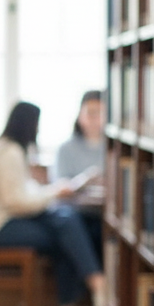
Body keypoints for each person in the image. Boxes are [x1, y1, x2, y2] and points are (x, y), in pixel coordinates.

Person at [0, 101, 106, 306]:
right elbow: (17, 202)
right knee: (66, 234)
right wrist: (54, 192)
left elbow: (21, 193)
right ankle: (83, 297)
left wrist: (49, 194)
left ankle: (79, 300)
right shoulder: (9, 153)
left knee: (66, 221)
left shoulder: (6, 149)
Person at [54, 90, 105, 259]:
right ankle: (94, 282)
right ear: (80, 115)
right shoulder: (65, 149)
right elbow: (60, 187)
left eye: (100, 113)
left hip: (105, 213)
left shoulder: (114, 148)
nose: (95, 119)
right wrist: (84, 180)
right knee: (71, 232)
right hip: (77, 212)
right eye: (90, 113)